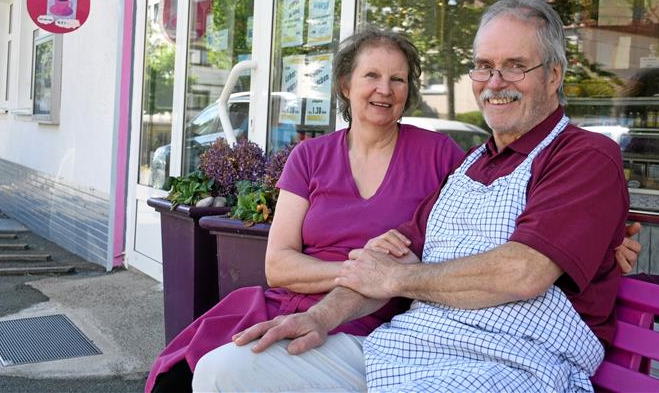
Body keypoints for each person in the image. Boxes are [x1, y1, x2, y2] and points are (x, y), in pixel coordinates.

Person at [192, 0, 634, 392]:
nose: (495, 81)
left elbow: (523, 272)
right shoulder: (470, 164)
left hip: (513, 361)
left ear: (554, 75)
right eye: (483, 65)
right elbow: (387, 262)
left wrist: (398, 279)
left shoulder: (584, 156)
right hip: (407, 346)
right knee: (224, 371)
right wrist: (319, 317)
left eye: (515, 65)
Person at [146, 28, 467, 392]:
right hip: (280, 305)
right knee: (175, 380)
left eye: (398, 79)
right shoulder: (309, 156)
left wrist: (383, 280)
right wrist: (365, 270)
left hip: (365, 322)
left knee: (223, 373)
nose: (385, 89)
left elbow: (463, 242)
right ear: (345, 84)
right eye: (372, 75)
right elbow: (278, 265)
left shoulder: (440, 155)